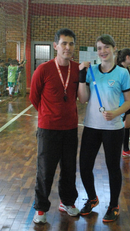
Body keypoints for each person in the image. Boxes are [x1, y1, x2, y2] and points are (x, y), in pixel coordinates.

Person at [78, 34, 130, 222]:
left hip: (113, 128)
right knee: (85, 166)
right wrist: (81, 76)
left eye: (106, 47)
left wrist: (116, 112)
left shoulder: (122, 73)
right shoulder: (91, 70)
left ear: (114, 49)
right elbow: (83, 99)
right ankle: (92, 198)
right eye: (99, 48)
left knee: (112, 168)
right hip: (91, 126)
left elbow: (129, 102)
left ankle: (113, 205)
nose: (102, 51)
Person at [29, 28, 82, 224]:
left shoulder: (78, 69)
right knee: (45, 170)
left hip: (70, 129)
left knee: (69, 169)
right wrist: (47, 115)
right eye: (64, 44)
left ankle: (67, 202)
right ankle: (41, 209)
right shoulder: (43, 69)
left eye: (71, 44)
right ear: (55, 46)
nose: (67, 47)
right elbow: (34, 98)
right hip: (48, 129)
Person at [116, 48, 130, 158]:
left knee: (127, 126)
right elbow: (118, 86)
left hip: (128, 102)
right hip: (121, 104)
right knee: (118, 128)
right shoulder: (118, 70)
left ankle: (126, 149)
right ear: (127, 57)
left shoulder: (126, 69)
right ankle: (115, 149)